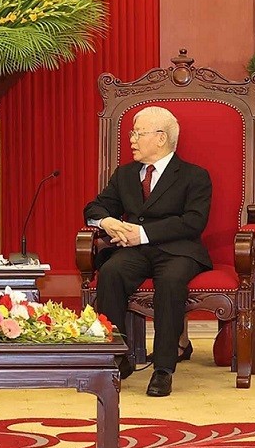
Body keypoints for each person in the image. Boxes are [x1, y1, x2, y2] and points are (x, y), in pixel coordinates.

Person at [83, 106, 212, 397]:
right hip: (134, 252)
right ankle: (118, 357)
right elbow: (94, 207)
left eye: (137, 133)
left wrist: (141, 234)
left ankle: (163, 369)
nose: (131, 139)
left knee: (171, 281)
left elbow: (193, 222)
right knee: (112, 272)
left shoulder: (194, 176)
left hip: (178, 250)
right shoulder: (126, 174)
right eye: (132, 133)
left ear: (160, 138)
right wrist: (108, 221)